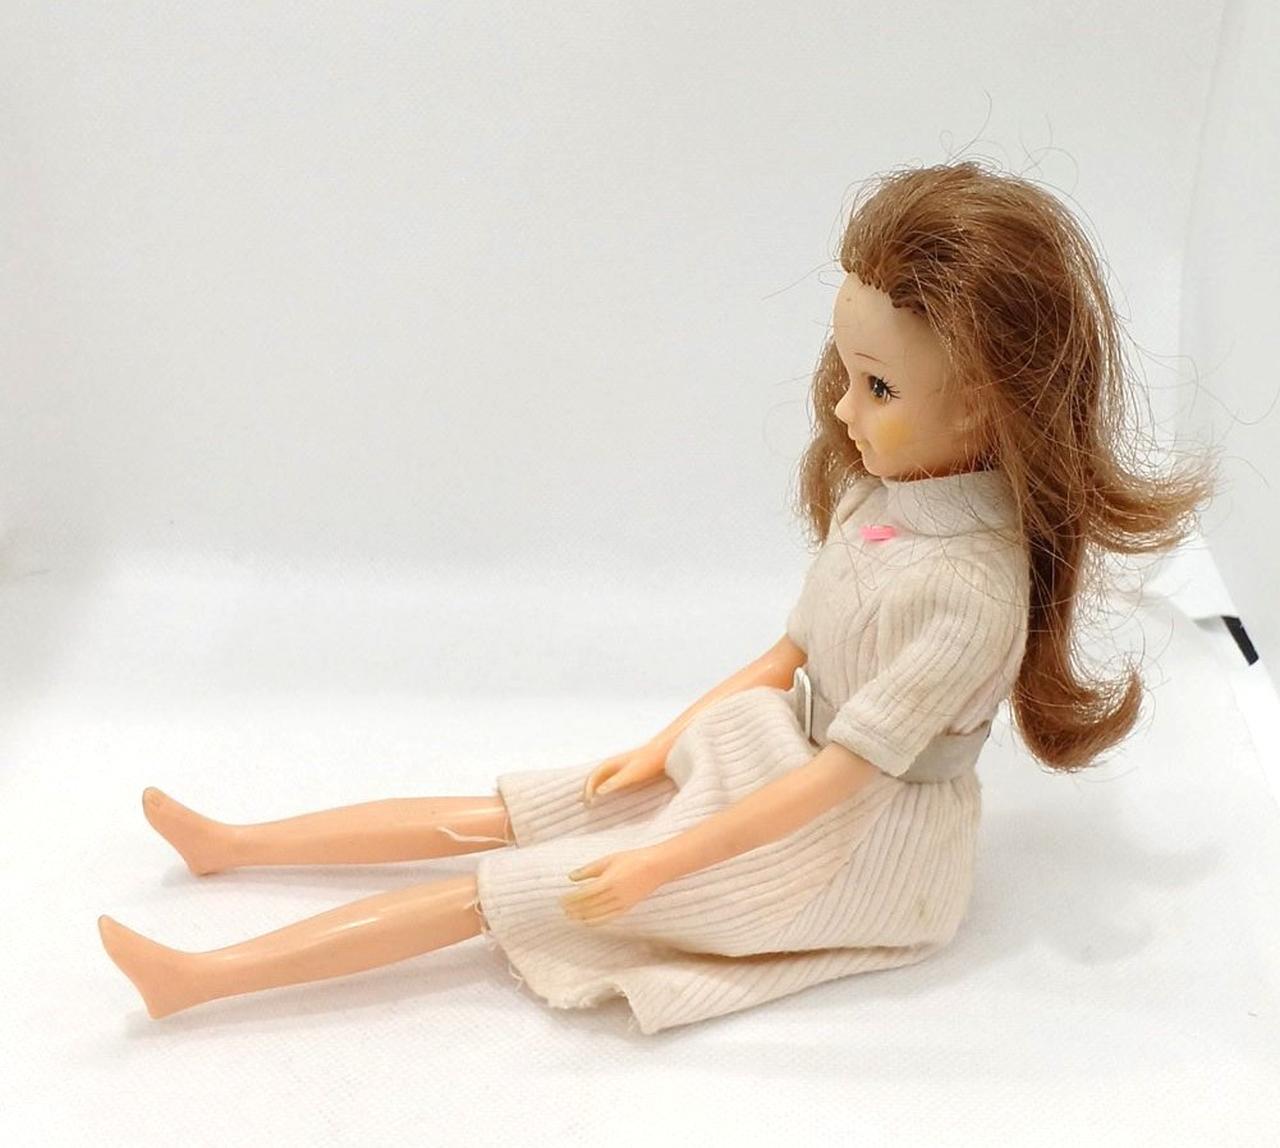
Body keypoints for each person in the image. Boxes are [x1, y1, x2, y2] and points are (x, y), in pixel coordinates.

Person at [99, 159, 1213, 1034]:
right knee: (530, 805)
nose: (841, 410)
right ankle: (234, 844)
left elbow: (844, 777)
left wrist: (660, 862)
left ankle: (201, 980)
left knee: (510, 886)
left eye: (877, 387)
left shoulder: (969, 590)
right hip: (775, 757)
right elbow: (786, 655)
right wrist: (659, 744)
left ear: (979, 409)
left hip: (855, 847)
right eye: (845, 374)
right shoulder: (877, 502)